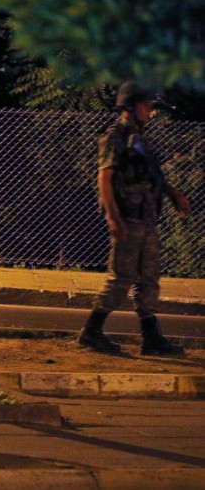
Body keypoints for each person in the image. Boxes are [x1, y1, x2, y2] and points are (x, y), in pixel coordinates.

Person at [78, 82, 191, 355]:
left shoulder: (140, 137)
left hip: (147, 216)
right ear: (130, 105)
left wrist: (173, 194)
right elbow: (105, 177)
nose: (151, 110)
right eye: (146, 105)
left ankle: (151, 338)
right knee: (121, 276)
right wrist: (113, 218)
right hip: (129, 217)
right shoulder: (115, 135)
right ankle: (91, 332)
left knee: (149, 278)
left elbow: (152, 175)